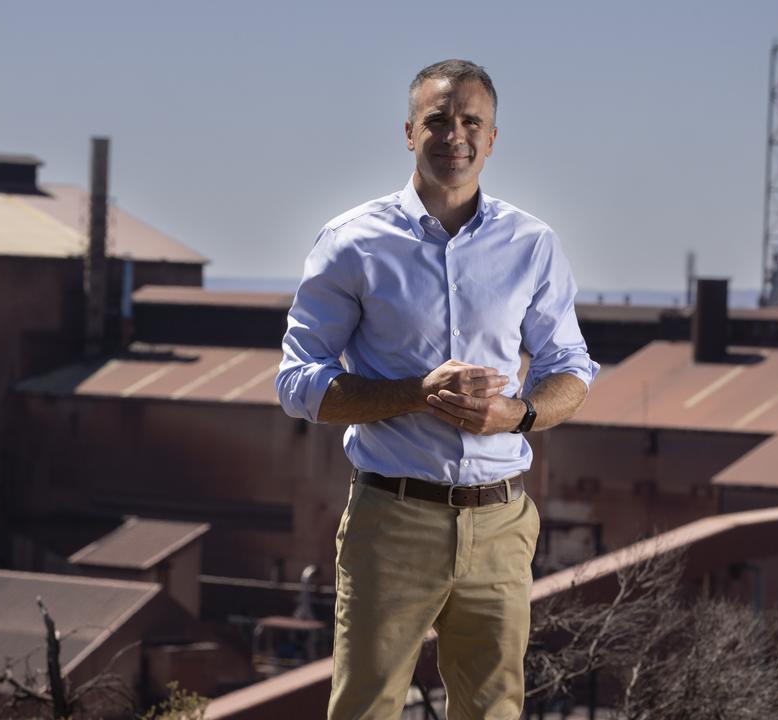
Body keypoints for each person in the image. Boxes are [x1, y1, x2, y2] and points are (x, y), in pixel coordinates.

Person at [276, 59, 600, 719]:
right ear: (409, 132)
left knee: (493, 710)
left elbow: (572, 367)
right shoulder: (353, 243)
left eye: (470, 122)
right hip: (392, 518)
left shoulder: (532, 244)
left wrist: (516, 412)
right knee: (366, 708)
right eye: (438, 121)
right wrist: (416, 392)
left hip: (502, 521)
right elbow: (298, 380)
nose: (456, 136)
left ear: (492, 136)